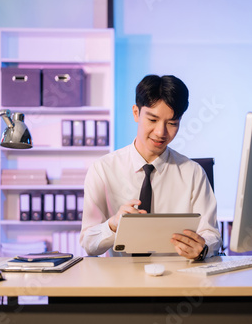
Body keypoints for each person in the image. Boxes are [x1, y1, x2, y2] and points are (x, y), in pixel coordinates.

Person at [80, 74, 221, 260]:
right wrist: (113, 224)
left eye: (172, 123)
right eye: (153, 120)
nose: (161, 132)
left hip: (178, 279)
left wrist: (202, 248)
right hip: (121, 281)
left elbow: (212, 236)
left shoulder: (193, 173)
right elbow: (89, 244)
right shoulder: (103, 169)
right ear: (136, 113)